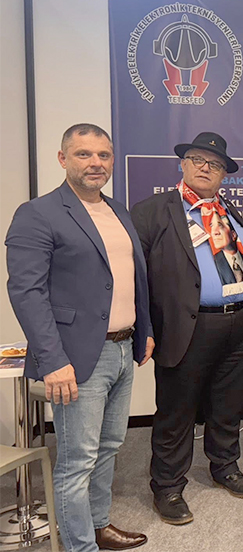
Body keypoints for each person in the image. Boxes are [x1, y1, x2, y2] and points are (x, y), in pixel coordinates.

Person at [6, 123, 153, 552]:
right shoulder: (38, 213)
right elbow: (27, 292)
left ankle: (99, 525)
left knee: (109, 447)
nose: (95, 163)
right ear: (63, 159)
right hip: (75, 357)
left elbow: (132, 278)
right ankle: (79, 545)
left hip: (122, 349)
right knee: (77, 461)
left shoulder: (118, 211)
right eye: (84, 154)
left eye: (103, 155)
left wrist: (144, 330)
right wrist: (53, 360)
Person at [132, 132, 243, 526]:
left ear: (224, 174)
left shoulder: (228, 211)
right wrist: (144, 328)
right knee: (177, 409)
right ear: (183, 164)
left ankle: (225, 466)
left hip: (240, 319)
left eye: (215, 164)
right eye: (198, 160)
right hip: (188, 323)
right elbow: (136, 278)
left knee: (228, 403)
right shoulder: (153, 210)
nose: (206, 168)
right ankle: (168, 485)